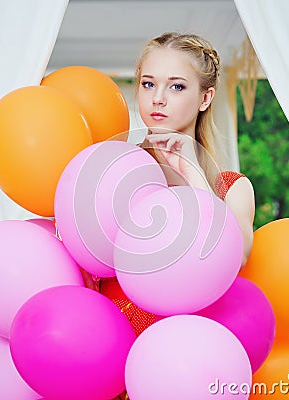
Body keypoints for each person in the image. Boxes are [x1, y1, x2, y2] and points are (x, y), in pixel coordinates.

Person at [104, 31, 255, 400]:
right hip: (110, 362)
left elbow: (231, 259)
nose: (157, 98)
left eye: (176, 87)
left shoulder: (231, 188)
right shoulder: (109, 174)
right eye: (148, 83)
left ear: (206, 98)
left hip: (192, 370)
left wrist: (193, 175)